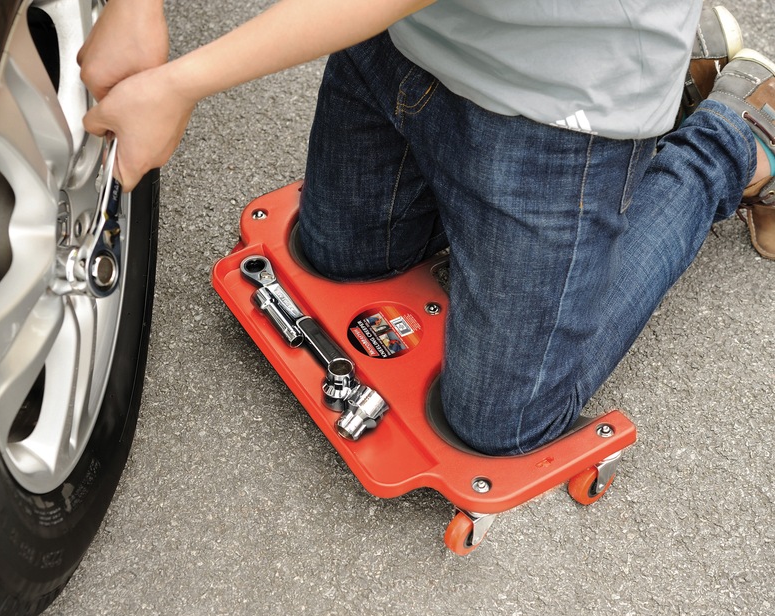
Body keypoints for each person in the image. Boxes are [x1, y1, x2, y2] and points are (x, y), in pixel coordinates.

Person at [79, 1, 774, 456]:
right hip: (400, 46)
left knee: (502, 421)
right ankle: (680, 58)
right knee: (337, 260)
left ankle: (734, 138)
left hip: (562, 113)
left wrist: (181, 84)